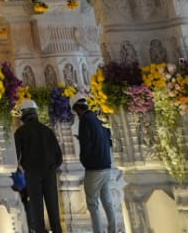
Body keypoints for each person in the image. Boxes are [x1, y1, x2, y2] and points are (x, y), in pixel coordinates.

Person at [14, 101, 64, 233]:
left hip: (32, 174)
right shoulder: (47, 130)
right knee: (54, 209)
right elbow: (59, 156)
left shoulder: (20, 132)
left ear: (23, 115)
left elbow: (15, 157)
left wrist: (22, 168)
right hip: (49, 173)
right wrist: (50, 167)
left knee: (37, 212)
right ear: (36, 113)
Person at [75, 97, 119, 233]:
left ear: (78, 110)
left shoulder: (84, 120)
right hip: (106, 165)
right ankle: (113, 229)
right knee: (107, 201)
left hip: (94, 168)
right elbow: (108, 139)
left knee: (93, 204)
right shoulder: (99, 118)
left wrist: (84, 160)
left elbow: (86, 144)